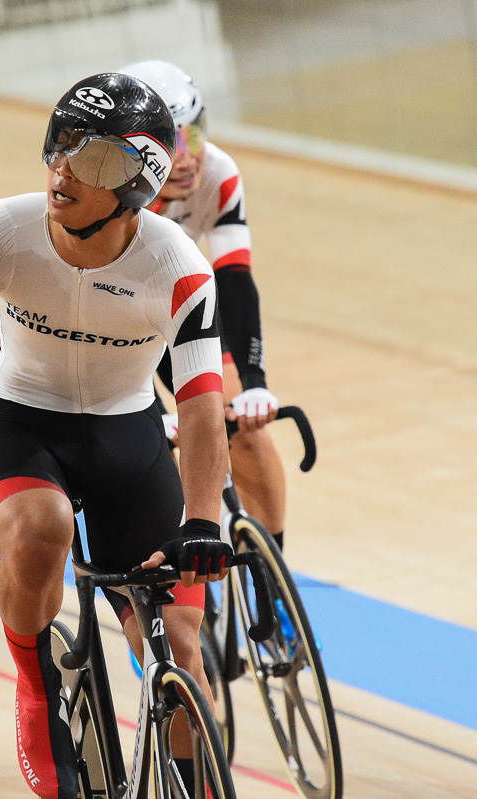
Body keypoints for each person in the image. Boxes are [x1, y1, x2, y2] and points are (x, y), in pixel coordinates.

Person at [0, 72, 233, 799]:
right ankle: (34, 683)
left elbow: (204, 406)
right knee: (41, 528)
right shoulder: (4, 232)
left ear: (139, 182)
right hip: (25, 424)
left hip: (129, 440)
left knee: (180, 647)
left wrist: (203, 519)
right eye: (62, 142)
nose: (64, 168)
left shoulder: (177, 267)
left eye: (96, 158)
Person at [120, 60, 289, 549]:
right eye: (170, 143)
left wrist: (255, 384)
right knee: (148, 454)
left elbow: (234, 279)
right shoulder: (110, 198)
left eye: (194, 134)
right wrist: (151, 412)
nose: (188, 157)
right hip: (118, 325)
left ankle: (270, 580)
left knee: (245, 431)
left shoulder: (218, 173)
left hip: (181, 310)